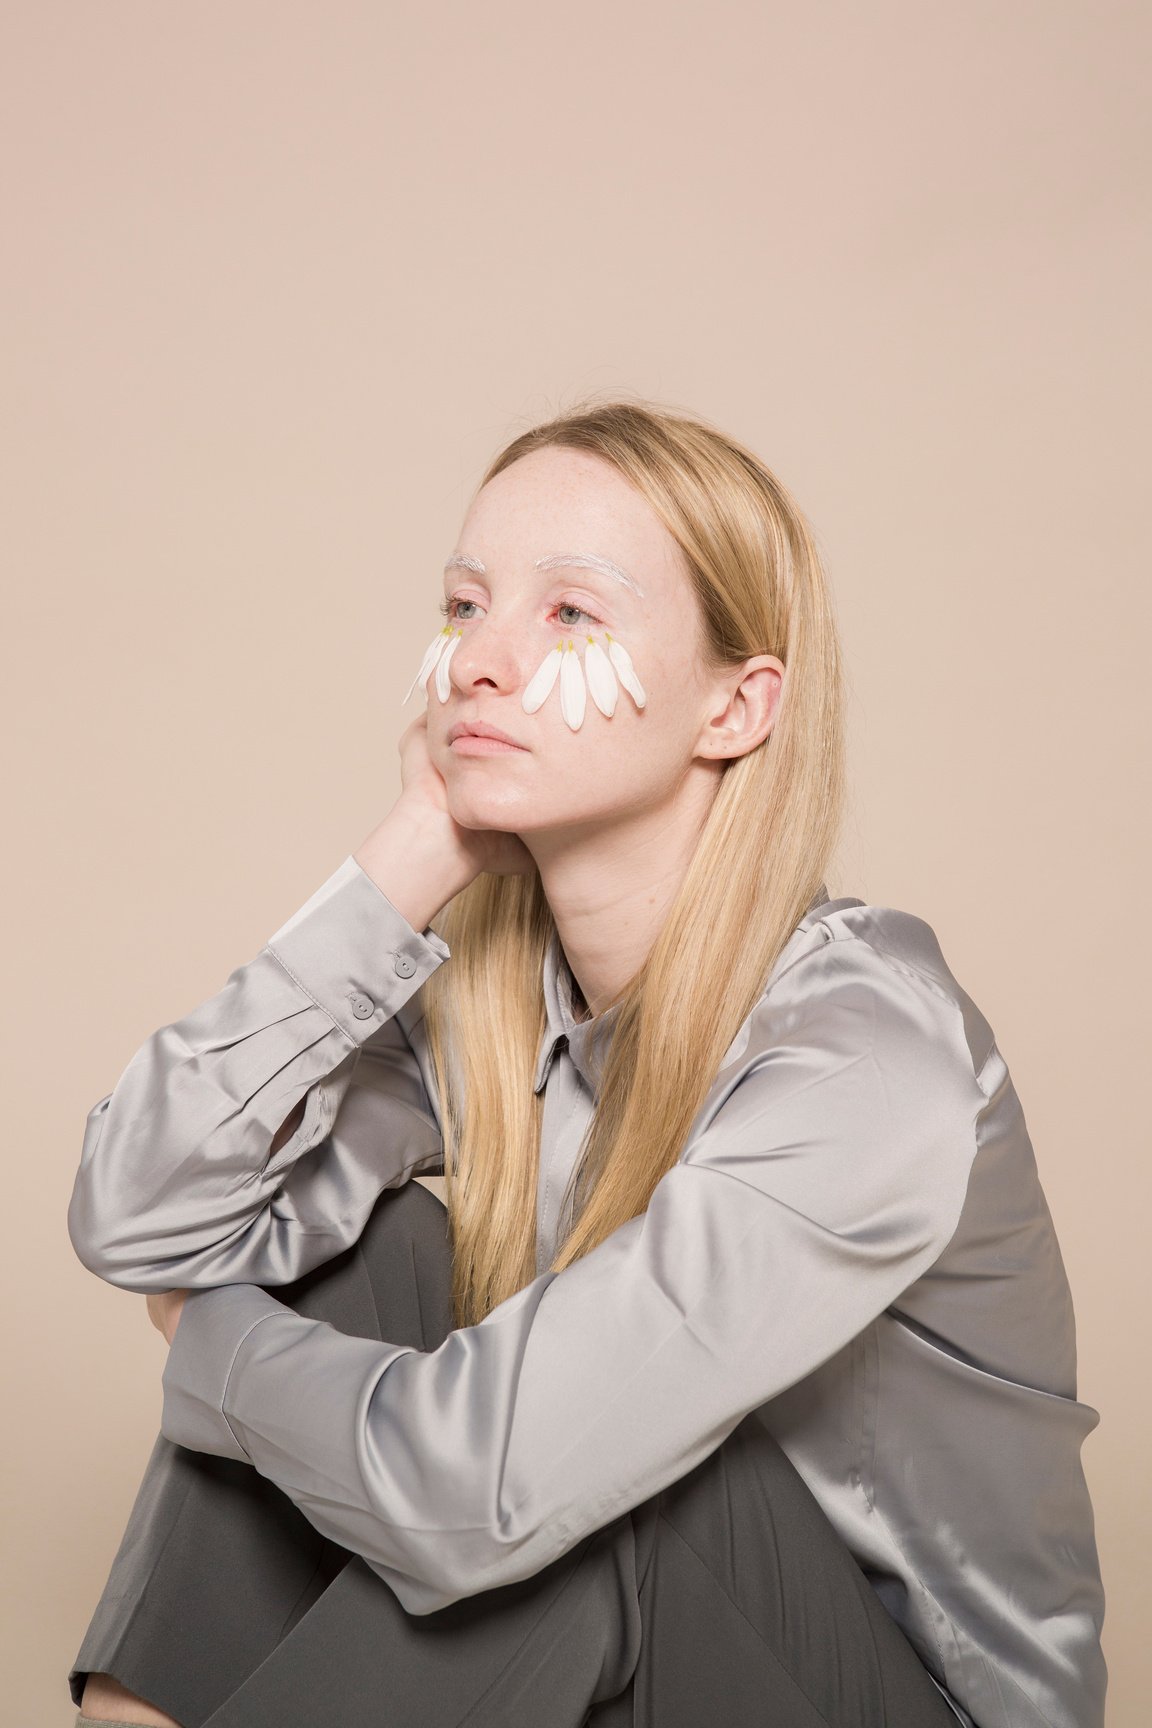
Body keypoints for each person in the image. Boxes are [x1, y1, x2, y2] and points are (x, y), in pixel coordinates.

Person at [66, 400, 1106, 1728]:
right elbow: (145, 1216)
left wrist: (214, 1356)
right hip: (620, 1675)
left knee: (574, 1483)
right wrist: (411, 855)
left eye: (569, 615)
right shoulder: (505, 997)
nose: (483, 663)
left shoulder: (869, 1050)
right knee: (350, 1259)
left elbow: (487, 1489)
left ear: (736, 705)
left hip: (895, 1701)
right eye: (464, 606)